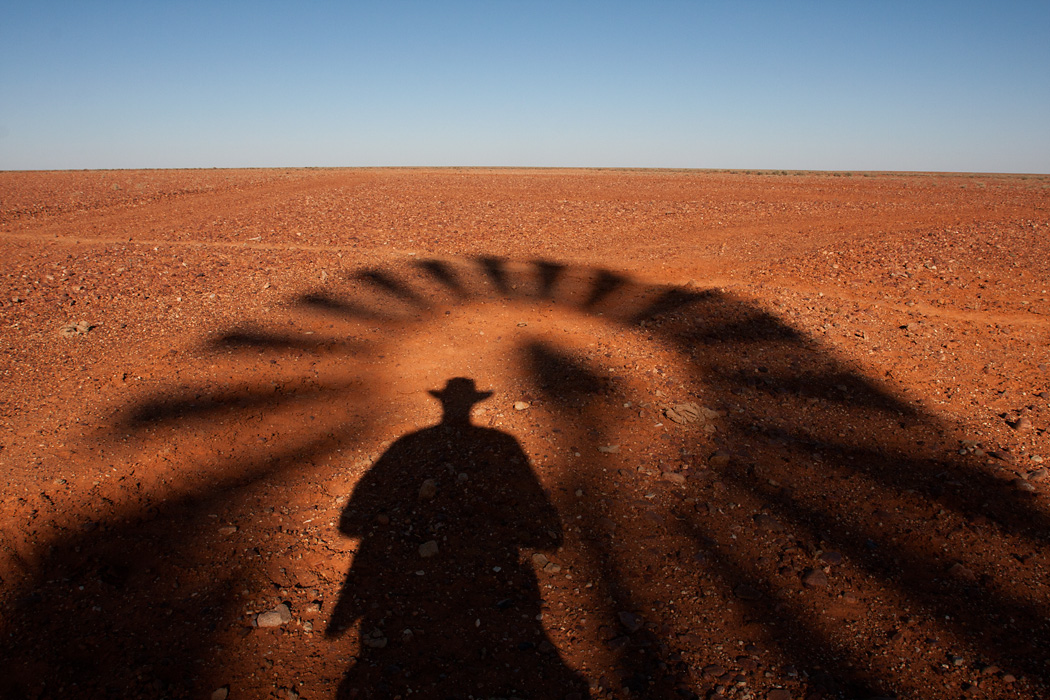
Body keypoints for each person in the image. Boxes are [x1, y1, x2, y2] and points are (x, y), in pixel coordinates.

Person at [327, 378, 588, 699]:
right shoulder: (502, 442)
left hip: (408, 591)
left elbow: (349, 525)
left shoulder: (410, 443)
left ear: (441, 402)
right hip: (493, 583)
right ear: (474, 403)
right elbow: (547, 533)